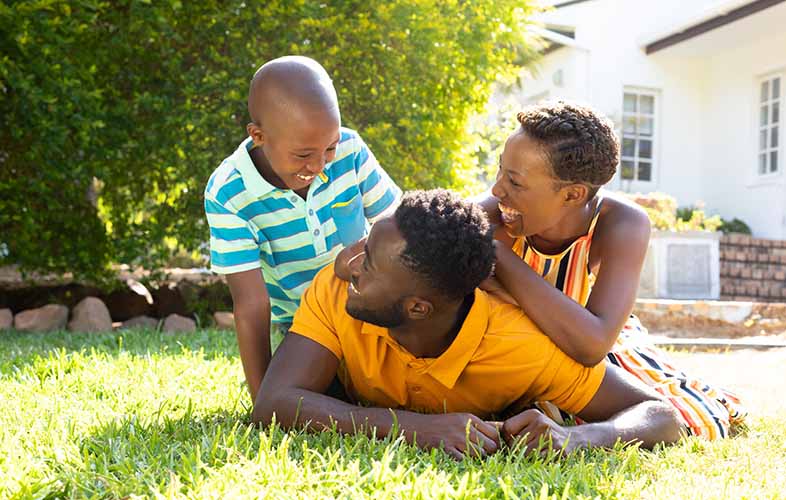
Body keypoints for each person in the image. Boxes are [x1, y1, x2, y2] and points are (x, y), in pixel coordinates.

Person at [253, 190, 682, 459]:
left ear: (418, 308)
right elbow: (274, 402)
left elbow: (660, 415)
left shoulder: (519, 343)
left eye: (370, 263)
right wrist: (415, 429)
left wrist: (577, 440)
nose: (350, 266)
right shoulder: (337, 289)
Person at [477, 101, 745, 439]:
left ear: (573, 194)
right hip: (525, 345)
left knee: (691, 417)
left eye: (515, 182)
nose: (497, 189)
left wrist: (501, 256)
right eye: (500, 170)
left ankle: (581, 437)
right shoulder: (488, 216)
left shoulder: (620, 223)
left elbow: (594, 344)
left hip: (603, 346)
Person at [204, 56, 401, 402]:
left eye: (329, 147)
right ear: (258, 135)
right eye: (303, 155)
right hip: (306, 328)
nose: (320, 166)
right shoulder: (228, 193)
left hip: (369, 309)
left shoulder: (350, 151)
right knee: (319, 400)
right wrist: (263, 398)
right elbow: (251, 305)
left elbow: (400, 226)